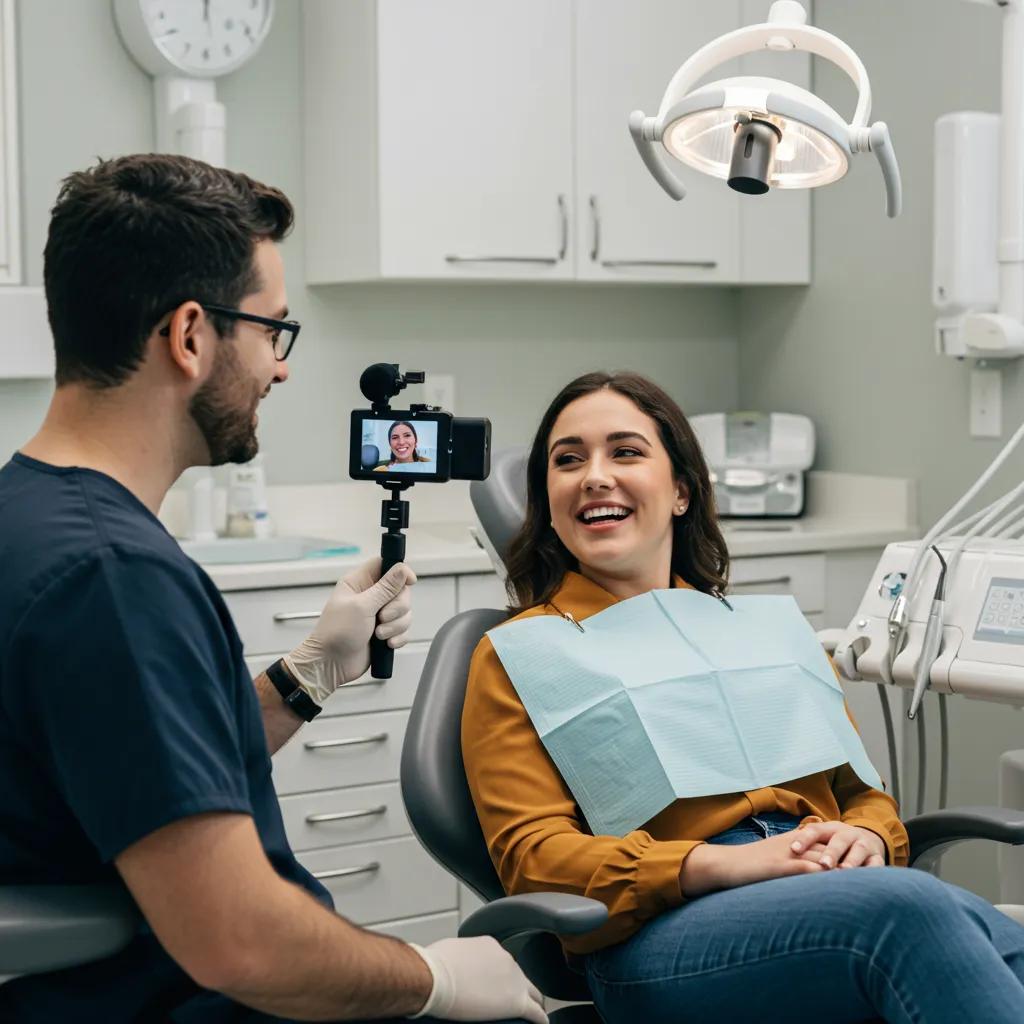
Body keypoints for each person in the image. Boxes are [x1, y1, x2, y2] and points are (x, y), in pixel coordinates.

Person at [0, 155, 545, 1024]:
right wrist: (431, 977)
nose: (279, 369)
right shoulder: (115, 578)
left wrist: (307, 678)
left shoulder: (27, 515)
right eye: (271, 332)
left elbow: (131, 780)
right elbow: (239, 943)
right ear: (189, 336)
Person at [462, 369, 1024, 1024]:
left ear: (680, 491)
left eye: (625, 451)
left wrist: (868, 839)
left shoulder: (763, 634)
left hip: (831, 886)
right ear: (550, 502)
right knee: (918, 910)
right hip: (659, 936)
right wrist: (719, 865)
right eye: (568, 461)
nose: (594, 476)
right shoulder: (524, 653)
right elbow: (534, 859)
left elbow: (861, 796)